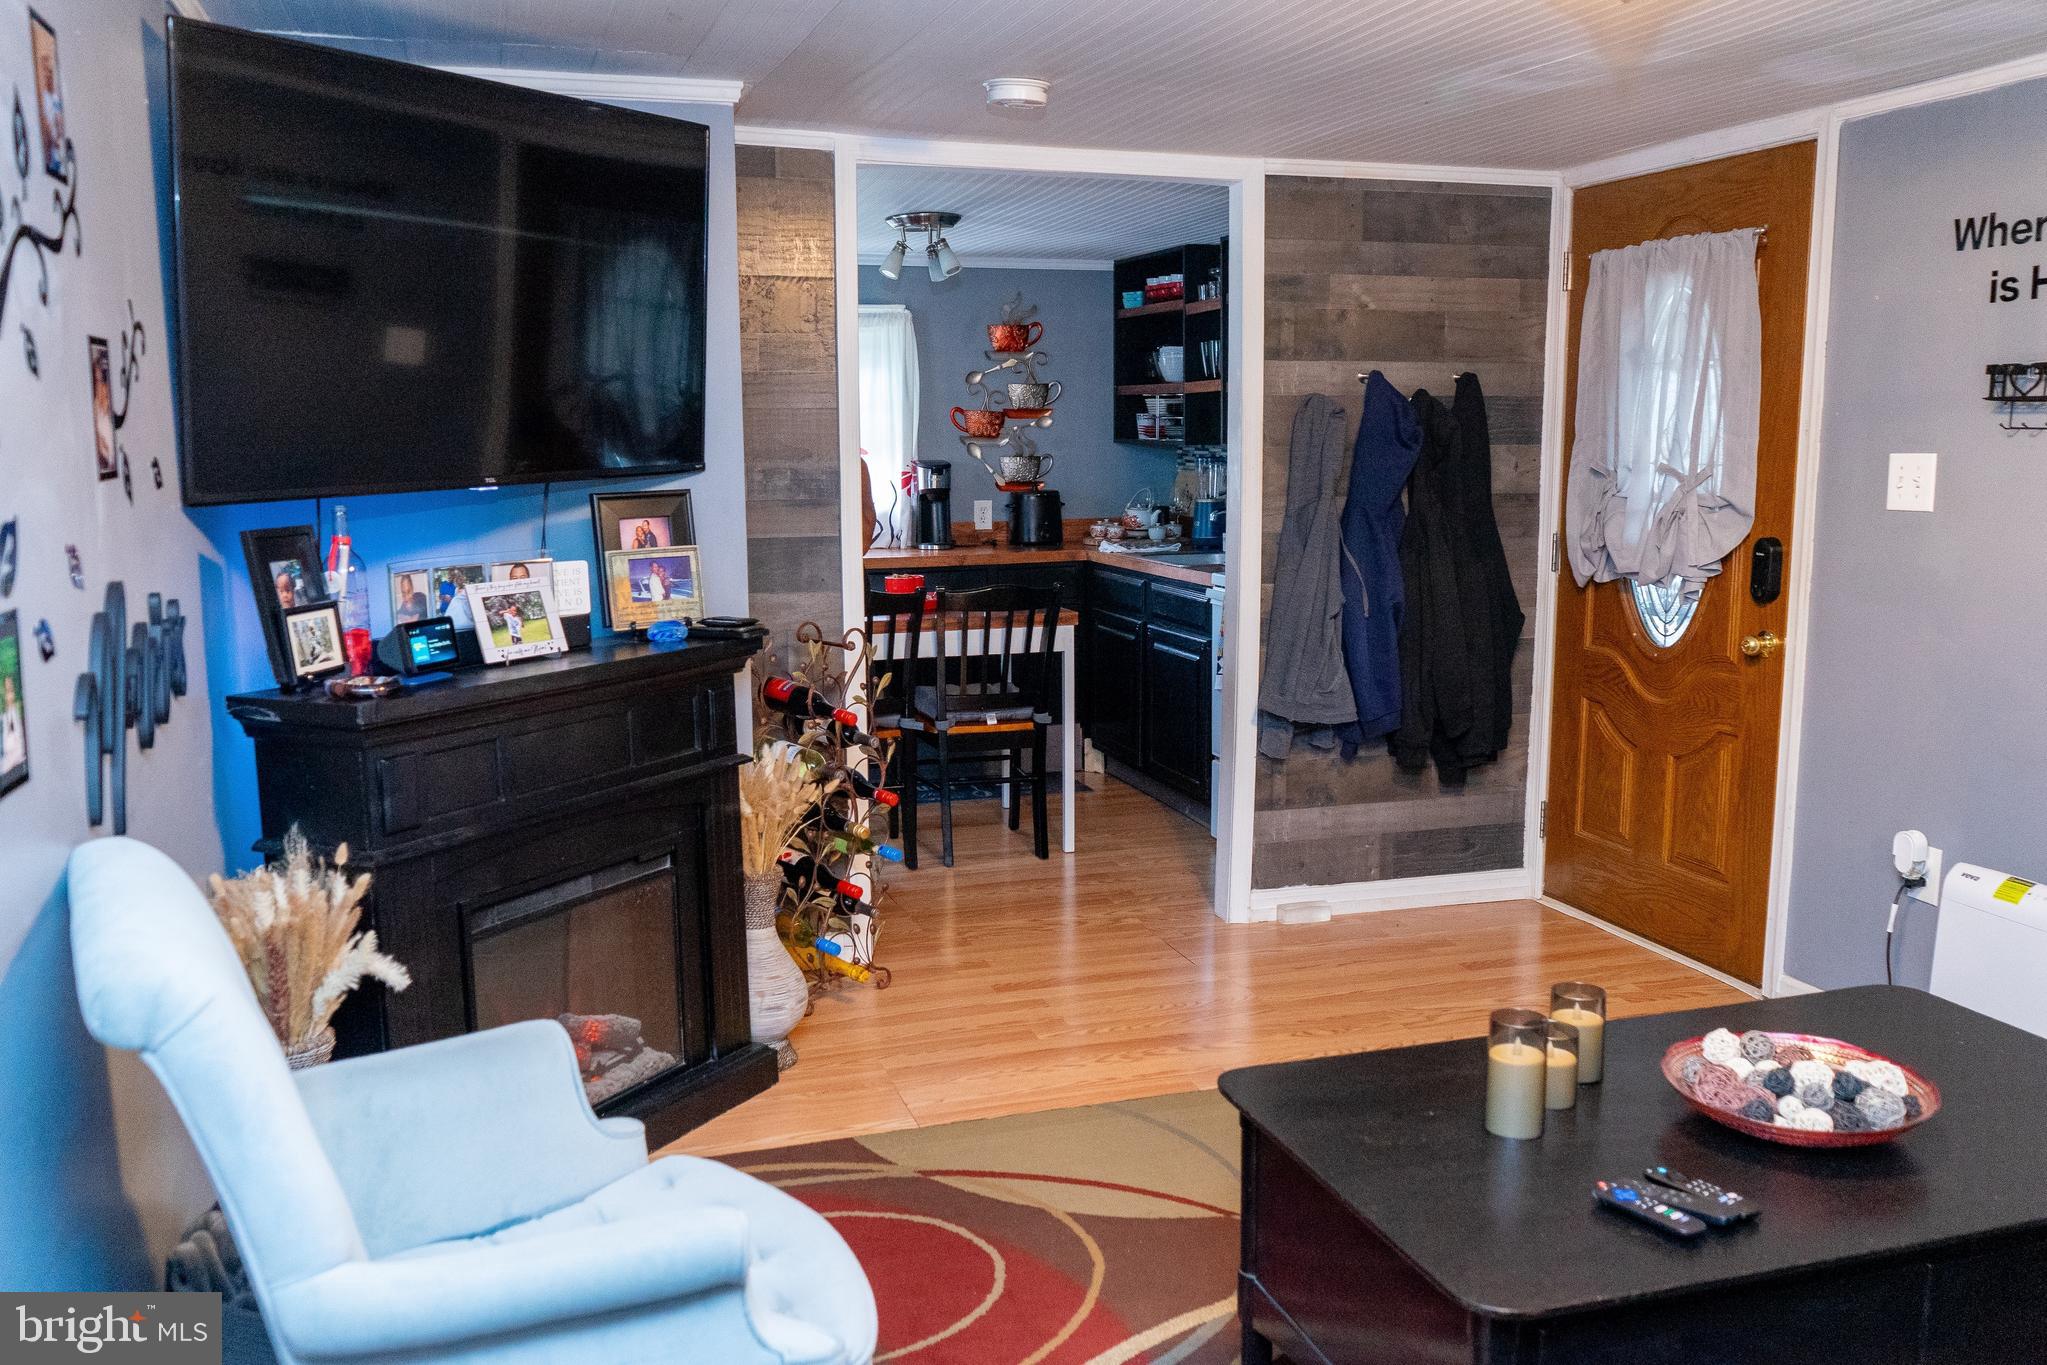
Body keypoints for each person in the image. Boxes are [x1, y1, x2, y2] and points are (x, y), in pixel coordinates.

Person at [1, 675, 25, 773]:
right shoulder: (3, 719)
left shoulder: (17, 713)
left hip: (18, 761)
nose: (10, 695)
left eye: (11, 691)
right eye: (7, 691)